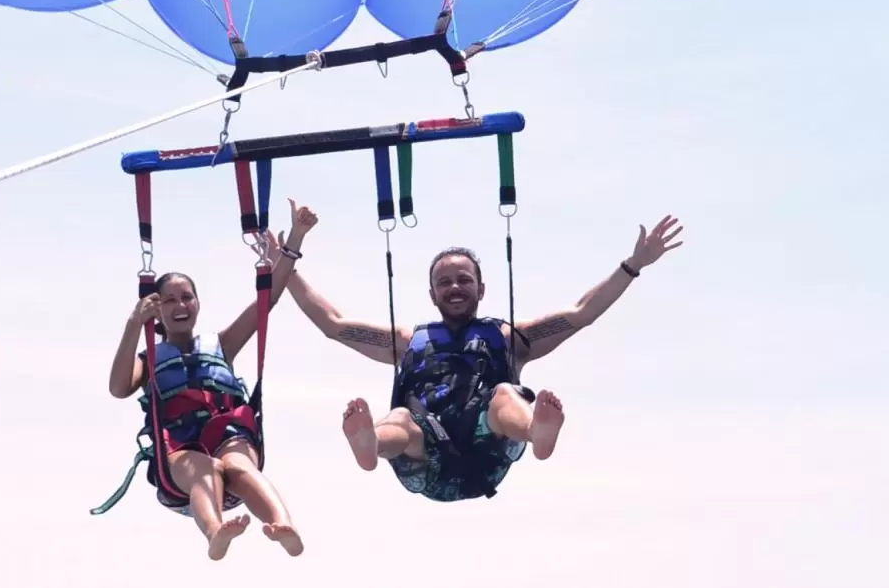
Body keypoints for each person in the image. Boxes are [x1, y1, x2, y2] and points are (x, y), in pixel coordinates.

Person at [284, 215, 684, 503]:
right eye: (445, 282)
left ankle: (536, 432)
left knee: (505, 393)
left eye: (464, 280)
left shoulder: (511, 339)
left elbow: (581, 313)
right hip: (427, 460)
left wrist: (633, 266)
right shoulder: (407, 343)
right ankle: (371, 444)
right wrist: (285, 261)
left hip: (489, 452)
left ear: (481, 289)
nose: (455, 287)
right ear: (432, 294)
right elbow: (333, 324)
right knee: (402, 419)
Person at [106, 198, 318, 560]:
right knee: (206, 468)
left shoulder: (221, 343)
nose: (180, 305)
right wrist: (132, 326)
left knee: (236, 466)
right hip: (180, 447)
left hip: (229, 433)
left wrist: (295, 239)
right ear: (157, 311)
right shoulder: (149, 358)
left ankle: (283, 525)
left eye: (187, 297)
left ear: (198, 304)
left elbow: (267, 301)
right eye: (169, 300)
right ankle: (215, 531)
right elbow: (118, 388)